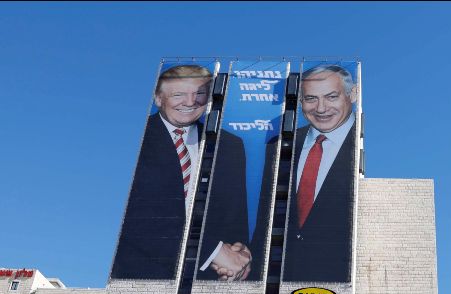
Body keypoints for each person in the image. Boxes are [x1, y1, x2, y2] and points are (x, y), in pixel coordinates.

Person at [111, 64, 251, 281]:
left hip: (208, 277)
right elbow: (139, 214)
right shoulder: (137, 136)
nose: (190, 102)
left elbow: (236, 213)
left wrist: (240, 251)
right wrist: (214, 252)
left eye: (199, 94)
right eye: (178, 94)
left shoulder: (230, 146)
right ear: (158, 99)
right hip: (143, 273)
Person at [282, 64, 358, 282]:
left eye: (331, 96)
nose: (321, 108)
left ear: (352, 94)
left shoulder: (366, 142)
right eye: (311, 99)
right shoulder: (278, 147)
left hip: (336, 282)